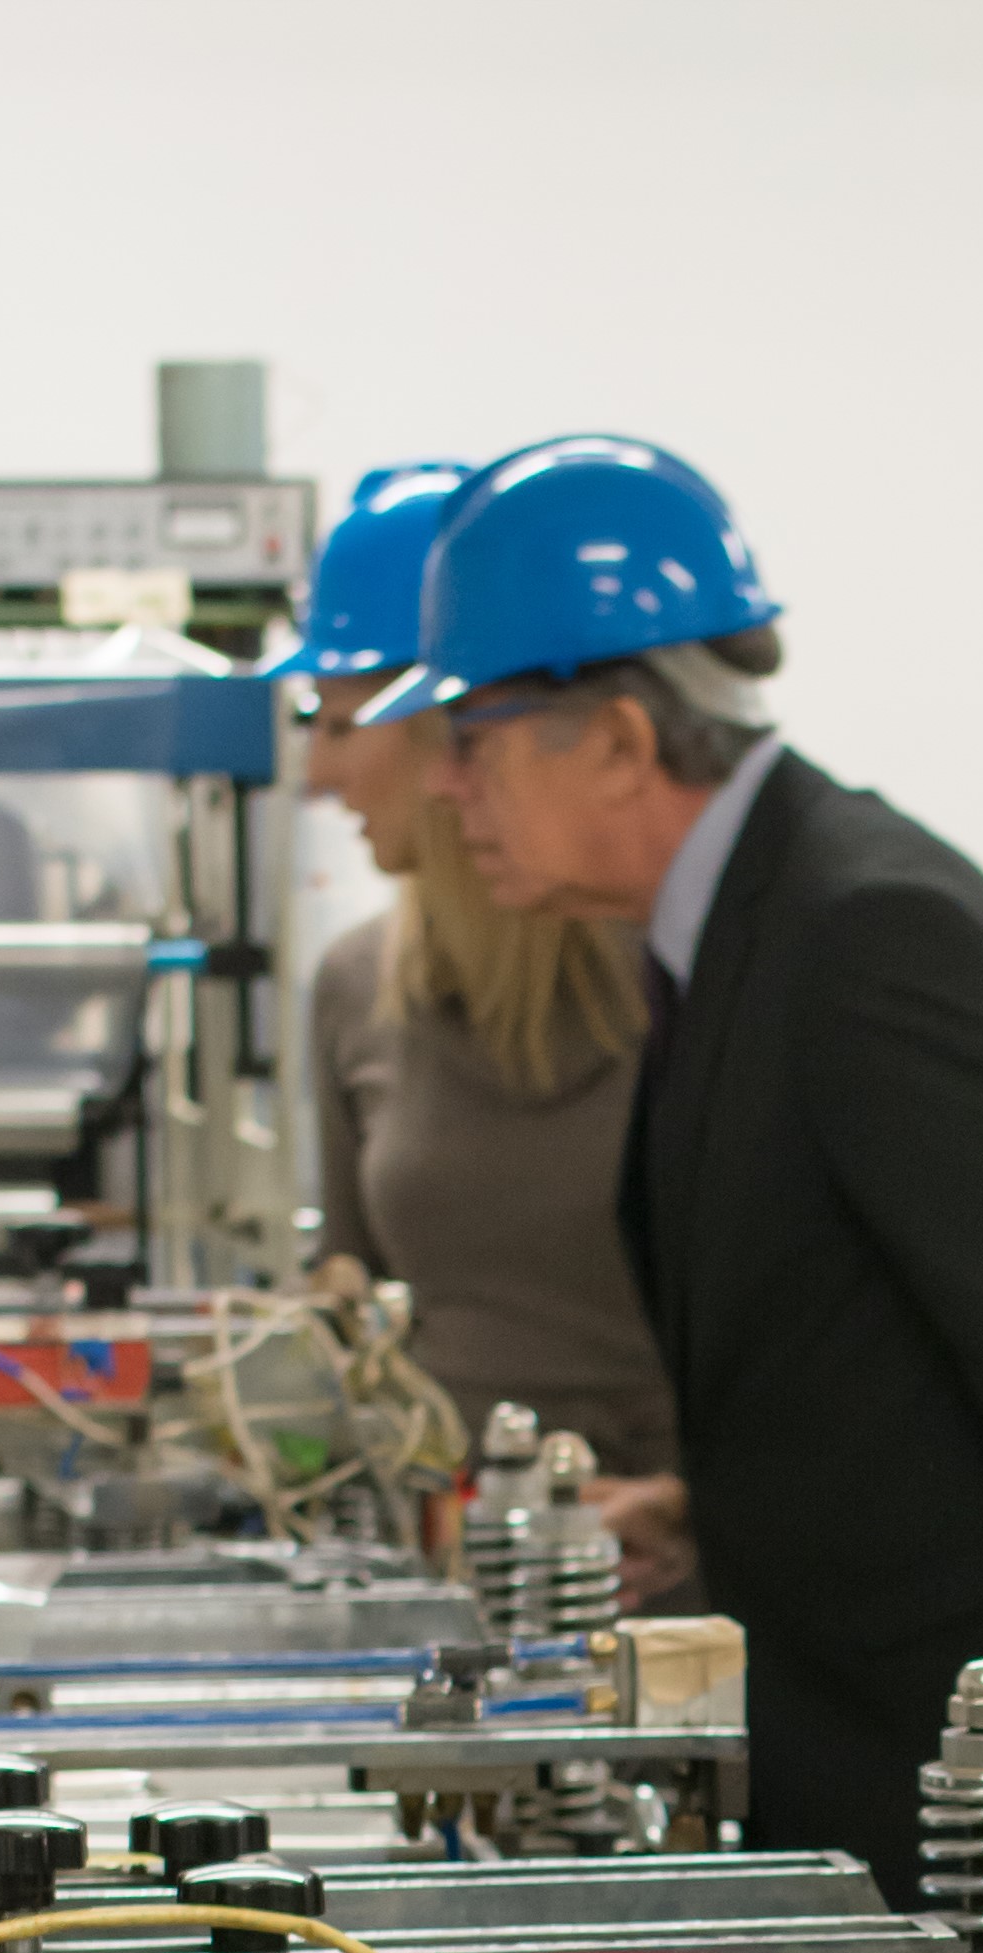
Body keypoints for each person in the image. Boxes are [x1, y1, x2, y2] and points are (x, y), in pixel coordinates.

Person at [366, 436, 983, 1901]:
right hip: (860, 1762)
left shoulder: (869, 938)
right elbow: (866, 1358)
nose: (446, 790)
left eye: (471, 738)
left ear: (619, 738)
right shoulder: (727, 936)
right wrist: (711, 1502)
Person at [279, 464, 688, 1583]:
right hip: (460, 1577)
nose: (315, 773)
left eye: (338, 720)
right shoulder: (356, 986)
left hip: (683, 1574)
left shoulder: (682, 975)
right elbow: (349, 1293)